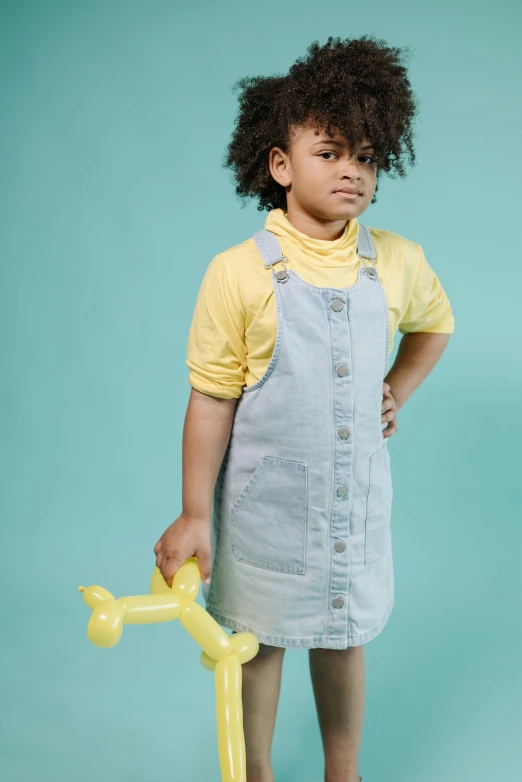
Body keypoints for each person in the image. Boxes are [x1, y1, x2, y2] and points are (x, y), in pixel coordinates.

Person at [154, 34, 455, 782]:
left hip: (352, 508)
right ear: (280, 165)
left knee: (342, 636)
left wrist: (396, 387)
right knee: (257, 644)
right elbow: (211, 399)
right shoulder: (239, 274)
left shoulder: (395, 261)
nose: (351, 168)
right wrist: (195, 513)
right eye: (329, 152)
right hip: (267, 510)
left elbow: (435, 323)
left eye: (366, 155)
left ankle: (341, 771)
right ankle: (256, 769)